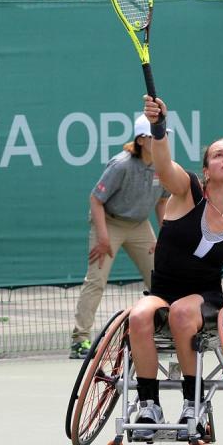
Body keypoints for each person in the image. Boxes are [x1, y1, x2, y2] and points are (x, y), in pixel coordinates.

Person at [128, 95, 223, 441]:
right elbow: (163, 164)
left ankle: (193, 403)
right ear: (206, 171)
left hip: (206, 300)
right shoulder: (186, 191)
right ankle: (148, 405)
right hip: (163, 292)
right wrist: (159, 127)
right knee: (139, 316)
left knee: (184, 313)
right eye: (219, 154)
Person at [70, 114, 169, 359]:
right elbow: (95, 199)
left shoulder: (162, 164)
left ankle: (165, 332)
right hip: (109, 222)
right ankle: (80, 340)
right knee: (96, 280)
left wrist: (164, 236)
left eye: (163, 134)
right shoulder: (121, 164)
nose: (162, 139)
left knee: (161, 278)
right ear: (143, 139)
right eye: (156, 134)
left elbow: (163, 200)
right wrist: (103, 237)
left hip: (139, 225)